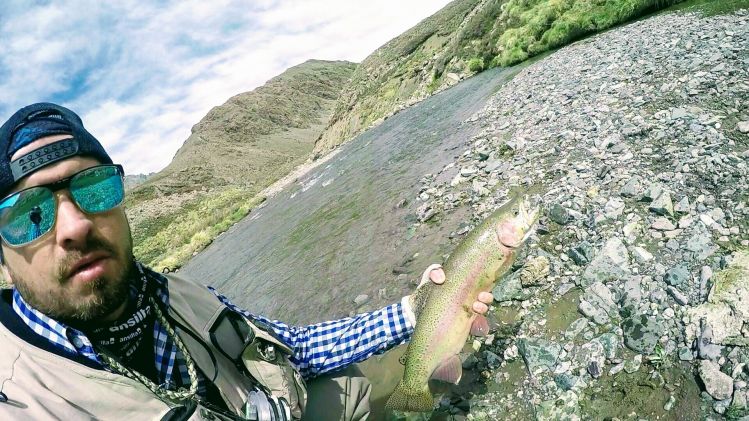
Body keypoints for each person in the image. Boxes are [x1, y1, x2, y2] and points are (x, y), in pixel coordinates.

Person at [0, 103, 494, 420]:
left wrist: (419, 310)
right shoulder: (23, 402)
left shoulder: (179, 295)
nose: (74, 226)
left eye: (94, 187)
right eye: (28, 214)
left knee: (349, 387)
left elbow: (294, 348)